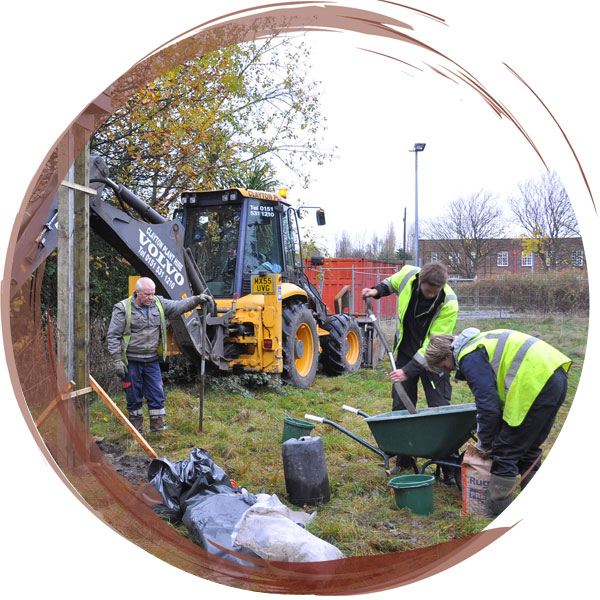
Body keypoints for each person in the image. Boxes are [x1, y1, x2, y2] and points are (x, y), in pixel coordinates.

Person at [424, 328, 571, 518]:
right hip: (554, 375)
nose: (449, 371)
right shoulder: (480, 342)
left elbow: (487, 405)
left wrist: (485, 444)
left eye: (443, 366)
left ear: (446, 354)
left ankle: (496, 517)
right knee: (528, 448)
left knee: (505, 453)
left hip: (535, 383)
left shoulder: (470, 356)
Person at [361, 262, 459, 474]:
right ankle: (405, 460)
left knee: (440, 409)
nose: (431, 295)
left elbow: (433, 345)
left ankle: (449, 469)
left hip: (434, 358)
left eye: (436, 291)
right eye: (427, 290)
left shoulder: (449, 303)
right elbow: (391, 283)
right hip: (405, 352)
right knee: (401, 407)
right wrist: (375, 291)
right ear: (420, 281)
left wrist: (408, 370)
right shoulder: (408, 275)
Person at [107, 277, 211, 433]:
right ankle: (136, 431)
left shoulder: (159, 303)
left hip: (151, 360)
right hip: (131, 360)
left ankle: (157, 428)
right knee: (133, 394)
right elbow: (113, 336)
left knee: (157, 392)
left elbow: (178, 306)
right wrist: (116, 360)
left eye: (152, 294)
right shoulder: (123, 308)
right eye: (147, 294)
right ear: (137, 292)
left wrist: (196, 300)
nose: (150, 297)